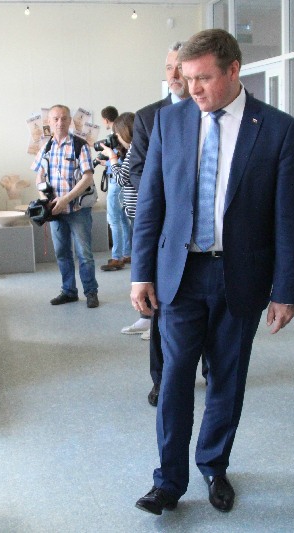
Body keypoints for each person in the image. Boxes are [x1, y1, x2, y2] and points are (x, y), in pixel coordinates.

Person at [131, 29, 294, 515]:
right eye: (186, 79)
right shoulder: (170, 121)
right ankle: (168, 481)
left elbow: (288, 217)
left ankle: (214, 465)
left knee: (227, 379)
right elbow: (151, 202)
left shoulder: (276, 128)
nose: (193, 89)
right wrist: (141, 272)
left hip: (240, 276)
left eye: (203, 78)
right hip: (180, 275)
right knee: (174, 381)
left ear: (233, 70)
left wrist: (286, 289)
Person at [122, 41, 193, 406]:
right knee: (162, 312)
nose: (175, 74)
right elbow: (136, 170)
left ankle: (208, 371)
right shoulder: (150, 117)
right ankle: (161, 380)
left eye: (181, 66)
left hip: (208, 238)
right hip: (166, 229)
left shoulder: (215, 114)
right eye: (169, 68)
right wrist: (169, 195)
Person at [30, 105, 99, 309]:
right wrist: (45, 200)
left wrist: (66, 199)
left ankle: (91, 292)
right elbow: (39, 177)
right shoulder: (46, 147)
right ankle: (69, 291)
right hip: (56, 212)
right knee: (62, 253)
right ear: (49, 122)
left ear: (70, 121)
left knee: (84, 254)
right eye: (56, 119)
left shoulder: (80, 146)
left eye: (64, 118)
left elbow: (87, 177)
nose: (60, 122)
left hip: (77, 210)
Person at [98, 106, 132, 272]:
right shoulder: (123, 139)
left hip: (116, 181)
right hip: (119, 180)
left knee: (114, 219)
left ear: (105, 120)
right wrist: (108, 162)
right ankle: (127, 253)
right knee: (124, 219)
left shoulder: (116, 137)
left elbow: (120, 168)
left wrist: (110, 157)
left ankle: (117, 257)